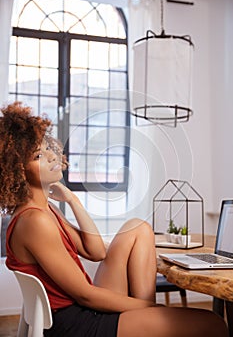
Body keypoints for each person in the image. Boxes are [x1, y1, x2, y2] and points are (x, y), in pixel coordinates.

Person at [0, 102, 228, 337]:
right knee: (214, 324)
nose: (51, 156)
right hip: (77, 324)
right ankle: (147, 319)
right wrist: (151, 307)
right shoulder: (35, 221)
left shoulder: (45, 210)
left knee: (137, 228)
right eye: (39, 155)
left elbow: (97, 252)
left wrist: (72, 200)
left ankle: (146, 324)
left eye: (49, 148)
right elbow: (85, 294)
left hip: (80, 310)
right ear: (17, 169)